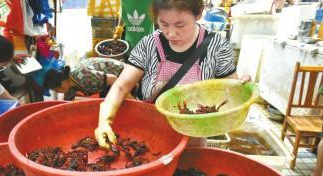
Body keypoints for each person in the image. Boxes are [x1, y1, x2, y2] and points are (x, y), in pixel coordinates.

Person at [95, 0, 251, 149]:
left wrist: (241, 88)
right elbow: (121, 86)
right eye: (163, 24)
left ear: (198, 14)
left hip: (193, 139)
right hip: (151, 135)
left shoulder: (216, 46)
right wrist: (104, 121)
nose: (171, 33)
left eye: (180, 24)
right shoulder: (149, 44)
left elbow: (229, 93)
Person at [42, 57, 125, 100]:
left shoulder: (84, 77)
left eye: (57, 90)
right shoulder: (69, 79)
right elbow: (67, 101)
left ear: (63, 84)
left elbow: (114, 79)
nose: (58, 92)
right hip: (110, 83)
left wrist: (135, 102)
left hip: (123, 75)